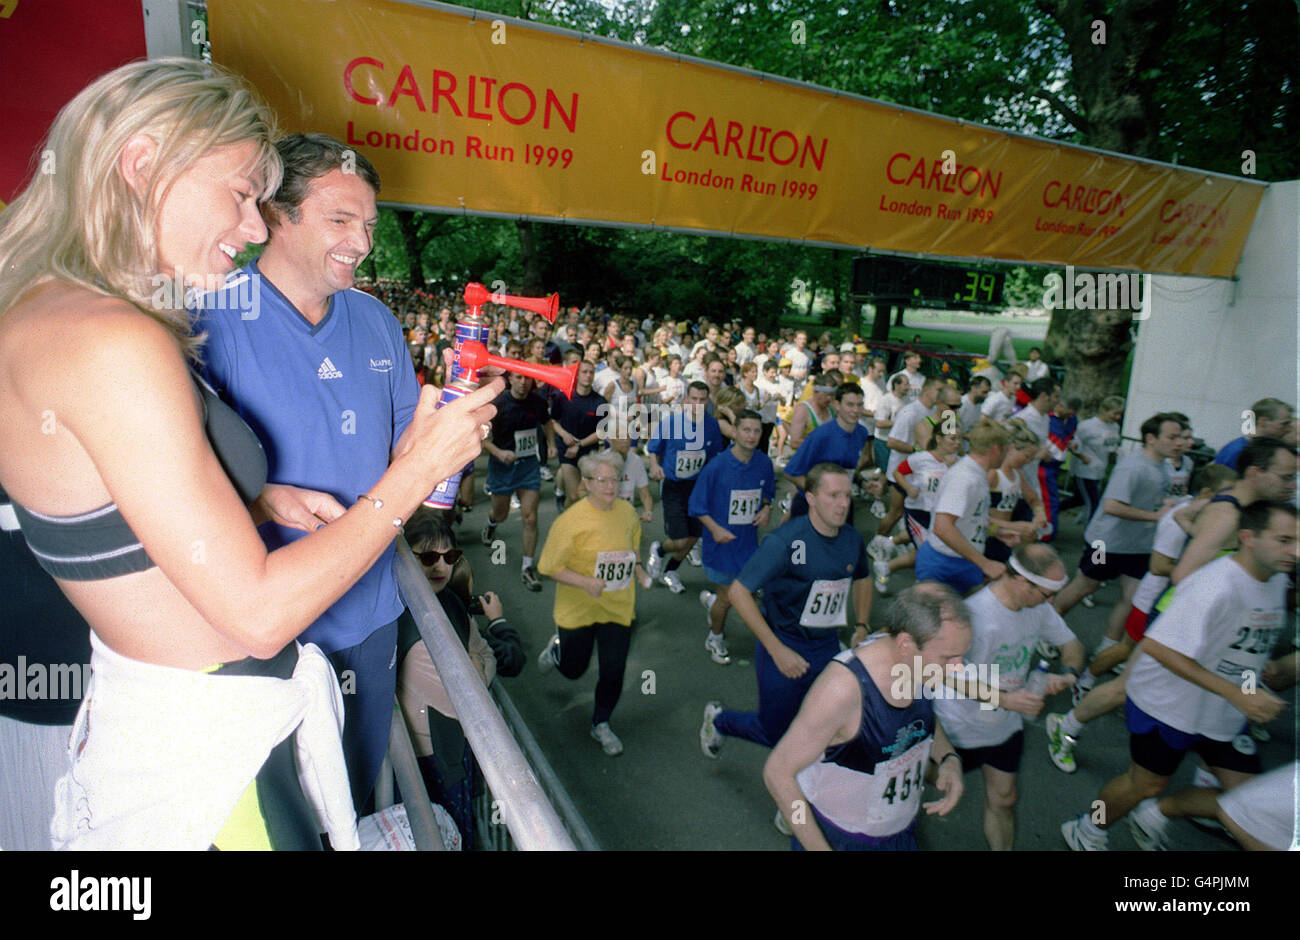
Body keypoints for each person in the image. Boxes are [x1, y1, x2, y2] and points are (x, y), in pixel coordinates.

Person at [0, 59, 500, 849]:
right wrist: (413, 474)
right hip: (213, 755)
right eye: (238, 193)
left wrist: (260, 497)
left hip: (166, 721)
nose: (256, 225)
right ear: (141, 163)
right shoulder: (112, 339)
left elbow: (114, 493)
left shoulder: (48, 311)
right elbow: (261, 614)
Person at [198, 133, 430, 810]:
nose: (361, 241)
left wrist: (452, 425)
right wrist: (265, 497)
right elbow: (171, 484)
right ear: (276, 215)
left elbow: (407, 449)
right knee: (281, 813)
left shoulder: (377, 320)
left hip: (370, 615)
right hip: (266, 632)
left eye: (369, 225)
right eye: (339, 219)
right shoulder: (211, 315)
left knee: (353, 799)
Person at [1061, 501, 1295, 851]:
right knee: (1143, 784)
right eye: (1284, 540)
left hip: (1222, 710)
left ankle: (1154, 815)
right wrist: (1237, 695)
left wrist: (1249, 690)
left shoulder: (1276, 580)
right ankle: (1088, 826)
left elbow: (1251, 654)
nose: (1296, 551)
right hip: (1168, 706)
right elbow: (1158, 648)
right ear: (1248, 537)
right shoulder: (1215, 585)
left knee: (1249, 798)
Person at [1045, 463, 1238, 774]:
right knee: (1089, 588)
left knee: (1123, 631)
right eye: (1229, 494)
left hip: (1151, 585)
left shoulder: (1200, 506)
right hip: (1118, 559)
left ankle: (1086, 686)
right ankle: (1076, 697)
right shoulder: (1183, 507)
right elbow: (1163, 564)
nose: (1235, 501)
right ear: (1207, 494)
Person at [700, 464, 873, 793]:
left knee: (832, 725)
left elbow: (862, 577)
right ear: (810, 498)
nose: (842, 504)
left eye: (847, 496)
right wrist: (777, 649)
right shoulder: (785, 541)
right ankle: (720, 720)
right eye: (833, 495)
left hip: (826, 646)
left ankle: (801, 795)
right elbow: (738, 592)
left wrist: (862, 623)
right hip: (784, 643)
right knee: (775, 731)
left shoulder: (851, 539)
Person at [763, 583, 971, 851]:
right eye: (950, 658)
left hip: (900, 834)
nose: (959, 668)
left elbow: (923, 715)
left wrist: (948, 759)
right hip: (838, 839)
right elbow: (778, 774)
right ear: (907, 644)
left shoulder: (921, 666)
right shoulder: (842, 689)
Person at [934, 544, 1084, 849]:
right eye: (1046, 593)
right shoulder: (974, 616)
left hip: (1003, 727)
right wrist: (1005, 699)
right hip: (957, 728)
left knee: (1005, 799)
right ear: (1020, 581)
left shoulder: (1037, 608)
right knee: (919, 790)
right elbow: (945, 673)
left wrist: (1068, 674)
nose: (1052, 601)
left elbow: (1072, 645)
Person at [396, 510, 514, 845]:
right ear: (406, 560)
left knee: (462, 830)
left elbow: (481, 653)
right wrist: (476, 663)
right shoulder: (411, 623)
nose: (441, 567)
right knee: (450, 836)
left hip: (454, 746)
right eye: (429, 557)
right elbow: (464, 695)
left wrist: (474, 662)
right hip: (433, 758)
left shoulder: (445, 599)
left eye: (450, 557)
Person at [536, 451, 651, 756]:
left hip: (617, 607)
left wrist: (639, 570)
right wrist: (586, 583)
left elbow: (633, 545)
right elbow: (548, 567)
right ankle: (558, 651)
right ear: (586, 484)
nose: (610, 487)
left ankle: (601, 722)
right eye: (602, 481)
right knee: (574, 669)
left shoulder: (627, 512)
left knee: (613, 670)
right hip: (579, 608)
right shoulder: (570, 522)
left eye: (614, 479)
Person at [1052, 415, 1184, 656]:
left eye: (1180, 437)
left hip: (1139, 546)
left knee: (1131, 597)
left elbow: (1151, 501)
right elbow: (1112, 506)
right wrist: (1156, 517)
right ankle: (1049, 633)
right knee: (1085, 586)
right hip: (1107, 543)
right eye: (1172, 437)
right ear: (1151, 439)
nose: (1179, 442)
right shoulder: (1133, 467)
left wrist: (1171, 506)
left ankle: (1107, 649)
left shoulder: (1163, 466)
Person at [688, 410, 776, 665]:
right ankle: (715, 637)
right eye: (745, 430)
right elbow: (696, 506)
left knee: (734, 595)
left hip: (749, 545)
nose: (751, 436)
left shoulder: (763, 463)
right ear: (735, 432)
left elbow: (767, 492)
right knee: (730, 598)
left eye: (756, 431)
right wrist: (715, 529)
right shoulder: (716, 466)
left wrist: (766, 508)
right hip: (721, 547)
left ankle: (713, 602)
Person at [645, 382, 727, 593]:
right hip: (673, 486)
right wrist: (655, 466)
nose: (697, 404)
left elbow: (714, 457)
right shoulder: (671, 422)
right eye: (693, 399)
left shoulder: (712, 426)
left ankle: (670, 571)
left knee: (692, 538)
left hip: (698, 488)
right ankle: (660, 549)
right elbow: (653, 448)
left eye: (702, 400)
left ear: (707, 402)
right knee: (680, 540)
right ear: (685, 400)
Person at [914, 419, 1012, 594]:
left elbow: (970, 518)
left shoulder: (977, 474)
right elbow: (942, 527)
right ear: (996, 449)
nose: (1007, 455)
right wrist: (985, 563)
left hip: (965, 562)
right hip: (943, 564)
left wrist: (996, 531)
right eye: (1006, 449)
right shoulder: (964, 478)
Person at [480, 369, 557, 592]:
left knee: (530, 518)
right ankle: (492, 523)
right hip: (502, 466)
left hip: (528, 465)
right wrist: (498, 453)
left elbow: (547, 422)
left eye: (527, 378)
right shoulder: (498, 404)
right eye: (518, 378)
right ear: (510, 379)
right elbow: (480, 436)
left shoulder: (537, 402)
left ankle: (527, 567)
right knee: (502, 514)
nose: (523, 383)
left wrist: (551, 444)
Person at [781, 382, 873, 523]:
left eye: (860, 405)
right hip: (811, 506)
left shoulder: (861, 433)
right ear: (837, 405)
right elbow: (791, 472)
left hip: (842, 503)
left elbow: (846, 469)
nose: (855, 410)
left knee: (843, 543)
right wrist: (820, 495)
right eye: (850, 405)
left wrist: (862, 483)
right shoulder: (821, 435)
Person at [551, 359, 607, 512]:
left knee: (586, 496)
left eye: (591, 372)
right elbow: (552, 421)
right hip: (567, 449)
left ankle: (568, 516)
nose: (588, 376)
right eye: (584, 372)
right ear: (577, 375)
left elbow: (602, 431)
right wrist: (564, 434)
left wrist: (580, 444)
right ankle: (565, 520)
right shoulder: (562, 397)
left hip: (588, 449)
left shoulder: (599, 401)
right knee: (576, 496)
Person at [1071, 397, 1125, 525]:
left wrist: (1117, 452)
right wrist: (1082, 457)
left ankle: (1053, 510)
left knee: (1079, 499)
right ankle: (1089, 535)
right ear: (1104, 410)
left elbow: (1111, 445)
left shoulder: (1114, 427)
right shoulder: (1087, 426)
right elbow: (1074, 445)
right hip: (1085, 470)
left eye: (1120, 414)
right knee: (1093, 503)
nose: (1117, 417)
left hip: (1099, 469)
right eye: (1115, 413)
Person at [1213, 398, 1293, 469]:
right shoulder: (1237, 451)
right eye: (1284, 424)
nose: (1289, 429)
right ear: (1263, 422)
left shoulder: (1269, 449)